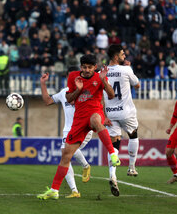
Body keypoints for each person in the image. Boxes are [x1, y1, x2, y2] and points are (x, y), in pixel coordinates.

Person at [37, 55, 120, 200]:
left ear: (95, 67)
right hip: (77, 122)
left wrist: (102, 80)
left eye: (90, 67)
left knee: (95, 119)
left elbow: (112, 95)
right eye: (84, 67)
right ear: (80, 67)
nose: (87, 70)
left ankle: (112, 154)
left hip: (94, 113)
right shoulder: (72, 78)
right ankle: (54, 190)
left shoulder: (99, 77)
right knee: (66, 155)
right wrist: (78, 89)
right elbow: (68, 99)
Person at [40, 67, 93, 198]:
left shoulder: (87, 91)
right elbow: (47, 101)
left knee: (67, 153)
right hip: (68, 130)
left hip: (83, 128)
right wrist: (43, 83)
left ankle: (85, 166)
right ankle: (74, 191)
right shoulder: (64, 92)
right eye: (70, 77)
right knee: (65, 157)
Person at [103, 44, 140, 197]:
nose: (125, 55)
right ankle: (131, 167)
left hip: (110, 113)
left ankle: (112, 174)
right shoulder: (126, 69)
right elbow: (137, 85)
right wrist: (129, 70)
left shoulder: (101, 72)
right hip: (126, 112)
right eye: (122, 54)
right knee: (133, 135)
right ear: (116, 57)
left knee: (114, 144)